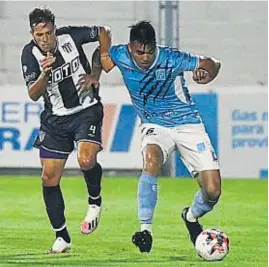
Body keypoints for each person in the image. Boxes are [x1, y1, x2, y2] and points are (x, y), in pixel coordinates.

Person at [100, 21, 221, 253]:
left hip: (188, 123)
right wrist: (96, 75)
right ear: (131, 47)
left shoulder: (171, 58)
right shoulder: (119, 54)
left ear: (156, 46)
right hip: (154, 124)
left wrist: (208, 73)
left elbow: (212, 63)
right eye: (140, 52)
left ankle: (191, 216)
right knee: (151, 161)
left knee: (213, 191)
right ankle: (145, 229)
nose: (145, 57)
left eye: (150, 51)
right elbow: (101, 56)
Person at [20, 7, 110, 253]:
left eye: (49, 33)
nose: (45, 39)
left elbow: (104, 32)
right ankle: (62, 236)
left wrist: (96, 70)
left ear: (54, 28)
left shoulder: (70, 36)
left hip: (85, 110)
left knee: (86, 159)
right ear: (32, 34)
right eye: (39, 35)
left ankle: (94, 201)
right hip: (55, 120)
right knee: (49, 178)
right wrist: (45, 75)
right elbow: (33, 94)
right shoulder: (29, 55)